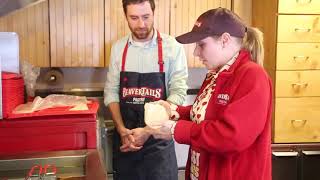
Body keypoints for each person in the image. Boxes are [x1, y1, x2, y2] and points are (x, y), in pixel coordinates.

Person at [151, 7, 273, 180]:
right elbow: (205, 115)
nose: (195, 53)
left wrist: (175, 129)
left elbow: (231, 136)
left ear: (224, 40)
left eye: (201, 45)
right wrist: (173, 111)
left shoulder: (253, 76)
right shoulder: (215, 74)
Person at [104, 0, 188, 179]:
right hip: (127, 142)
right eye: (134, 18)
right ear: (125, 16)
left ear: (154, 13)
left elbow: (178, 92)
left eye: (146, 17)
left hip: (159, 144)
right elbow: (111, 91)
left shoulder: (172, 47)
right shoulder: (118, 49)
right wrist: (121, 129)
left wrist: (149, 130)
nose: (141, 24)